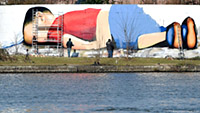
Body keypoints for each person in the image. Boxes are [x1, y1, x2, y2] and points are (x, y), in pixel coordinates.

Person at [22, 5, 198, 51]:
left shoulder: (60, 27)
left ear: (40, 17)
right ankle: (180, 32)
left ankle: (175, 35)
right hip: (119, 15)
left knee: (137, 41)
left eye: (37, 36)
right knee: (151, 32)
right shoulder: (66, 20)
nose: (41, 41)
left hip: (114, 25)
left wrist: (97, 44)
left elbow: (90, 41)